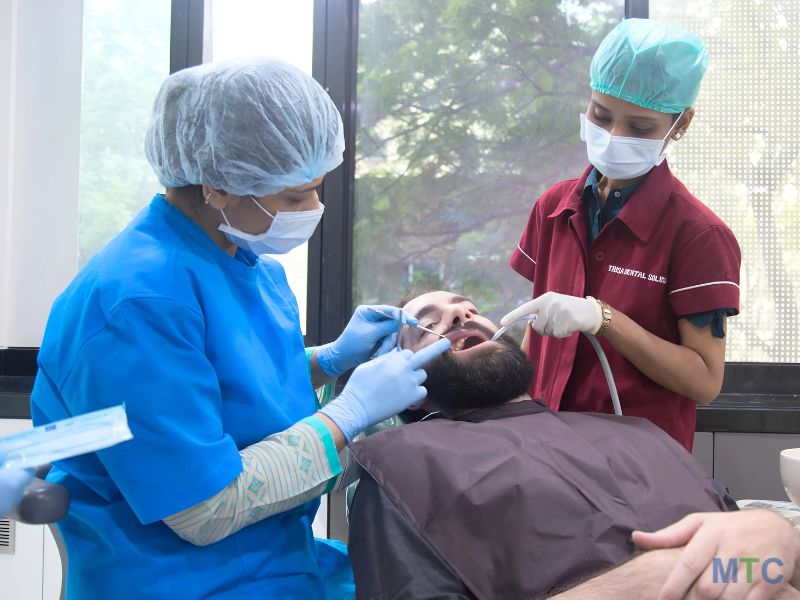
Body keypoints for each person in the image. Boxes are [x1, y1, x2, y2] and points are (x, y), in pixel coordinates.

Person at [29, 58, 449, 600]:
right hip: (176, 579)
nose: (314, 209)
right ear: (217, 187)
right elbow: (203, 508)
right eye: (294, 197)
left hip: (275, 558)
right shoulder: (136, 301)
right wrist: (347, 416)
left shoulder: (249, 264)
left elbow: (213, 390)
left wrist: (328, 361)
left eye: (318, 189)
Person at [346, 290, 733, 599]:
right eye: (428, 323)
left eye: (470, 308)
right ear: (409, 390)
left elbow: (760, 567)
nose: (461, 315)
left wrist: (778, 545)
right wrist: (639, 582)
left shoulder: (641, 433)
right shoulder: (403, 469)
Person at [504, 18, 741, 452]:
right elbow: (535, 336)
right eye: (601, 115)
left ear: (680, 124)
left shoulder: (698, 235)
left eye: (640, 127)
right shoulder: (554, 208)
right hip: (543, 452)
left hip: (641, 470)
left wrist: (604, 319)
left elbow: (704, 381)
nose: (614, 136)